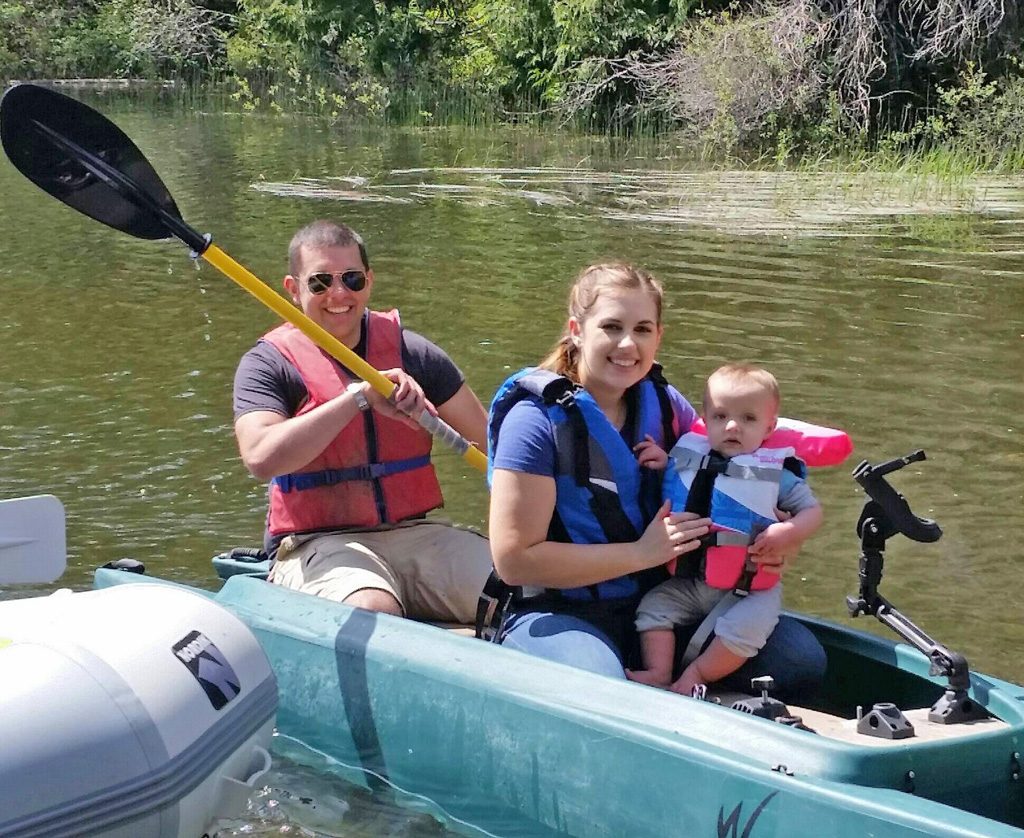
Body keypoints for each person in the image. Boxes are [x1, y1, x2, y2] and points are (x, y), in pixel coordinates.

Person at [487, 264, 828, 698]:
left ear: (658, 337)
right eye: (611, 327)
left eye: (642, 329)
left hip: (666, 600)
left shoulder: (666, 406)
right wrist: (641, 553)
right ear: (577, 330)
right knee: (606, 690)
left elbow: (746, 486)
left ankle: (682, 687)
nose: (628, 344)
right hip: (561, 610)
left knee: (801, 662)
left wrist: (775, 542)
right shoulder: (533, 423)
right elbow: (514, 560)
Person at [232, 219, 491, 624]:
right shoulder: (268, 363)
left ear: (368, 282)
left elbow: (495, 444)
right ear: (292, 288)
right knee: (372, 610)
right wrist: (356, 398)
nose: (338, 294)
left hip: (415, 536)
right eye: (320, 282)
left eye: (351, 279)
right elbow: (260, 457)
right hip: (317, 543)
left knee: (519, 588)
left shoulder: (413, 353)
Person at [627, 364, 828, 696]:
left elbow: (812, 512)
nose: (732, 426)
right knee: (653, 609)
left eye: (748, 419)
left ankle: (695, 675)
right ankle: (659, 672)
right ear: (705, 421)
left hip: (751, 589)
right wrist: (663, 461)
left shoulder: (776, 474)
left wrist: (789, 532)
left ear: (769, 426)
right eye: (720, 417)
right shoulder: (689, 455)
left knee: (744, 631)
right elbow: (681, 480)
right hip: (692, 584)